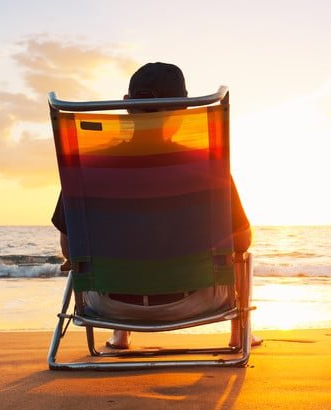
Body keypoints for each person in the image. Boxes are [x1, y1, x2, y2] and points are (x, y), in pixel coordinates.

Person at [52, 62, 261, 349]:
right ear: (183, 111)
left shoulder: (89, 169)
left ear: (126, 104)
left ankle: (120, 334)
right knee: (239, 252)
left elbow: (69, 248)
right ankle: (239, 334)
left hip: (108, 305)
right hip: (195, 302)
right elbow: (242, 240)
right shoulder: (207, 167)